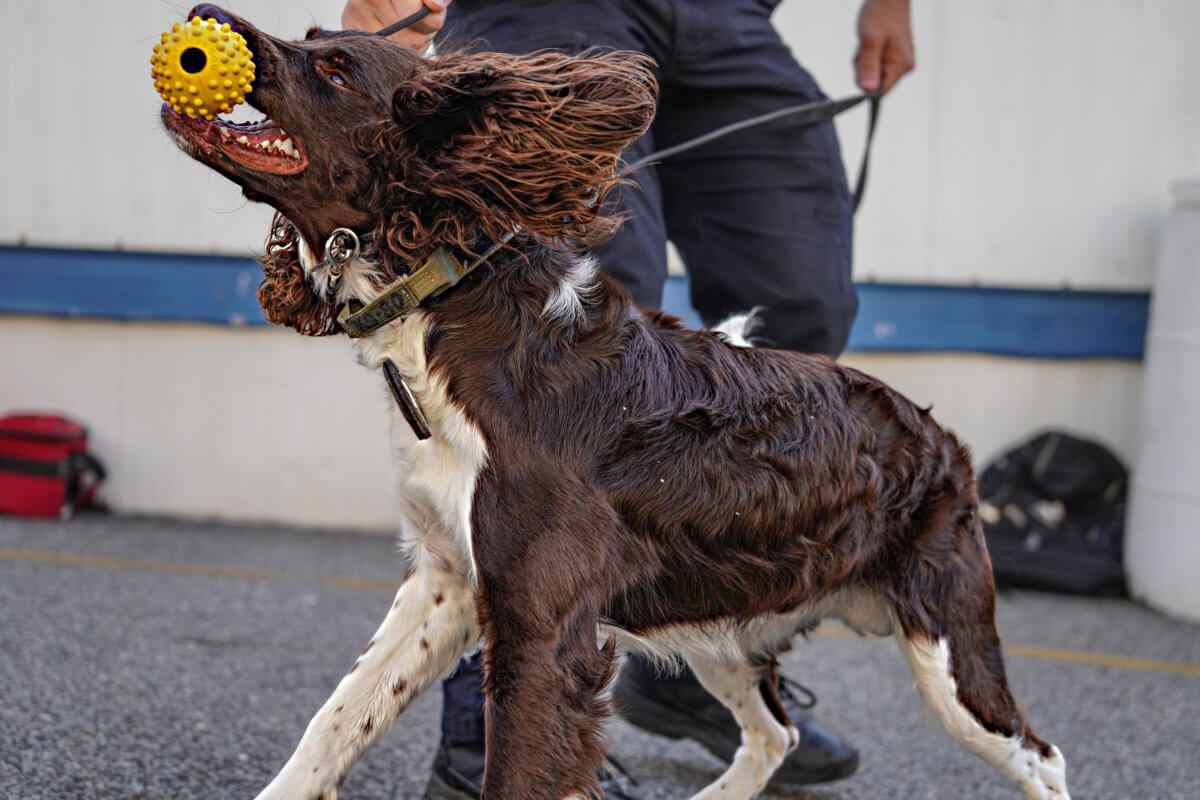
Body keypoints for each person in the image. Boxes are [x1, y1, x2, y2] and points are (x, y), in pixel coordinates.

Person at [342, 1, 916, 797]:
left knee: (800, 313)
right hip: (551, 9)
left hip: (729, 16)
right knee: (570, 318)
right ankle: (494, 742)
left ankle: (689, 647)